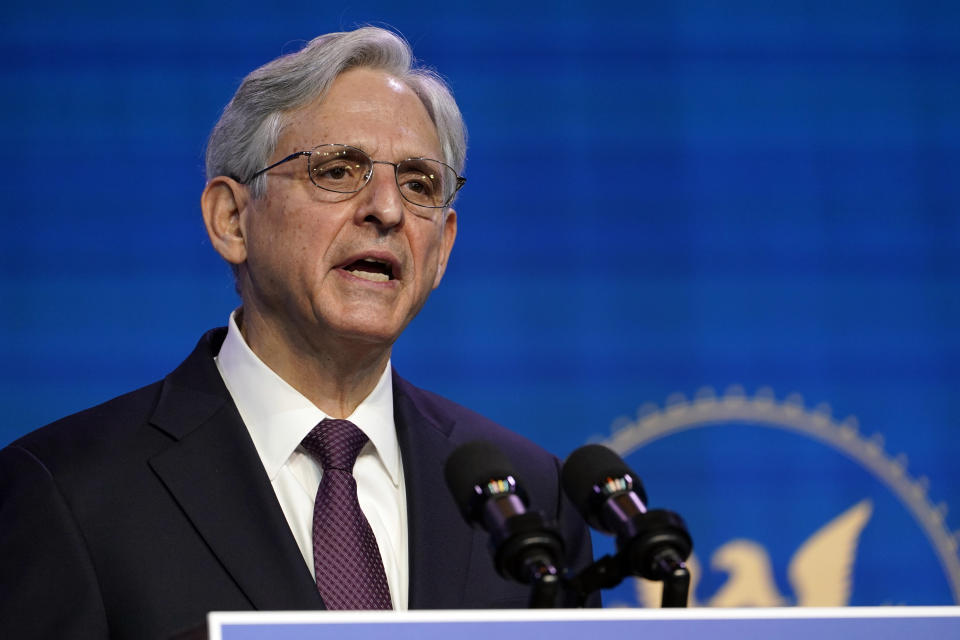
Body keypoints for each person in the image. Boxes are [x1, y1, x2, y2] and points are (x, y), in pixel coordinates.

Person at [0, 27, 596, 638]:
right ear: (232, 219)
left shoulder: (530, 496)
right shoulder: (71, 492)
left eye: (418, 184)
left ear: (442, 247)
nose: (386, 210)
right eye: (339, 171)